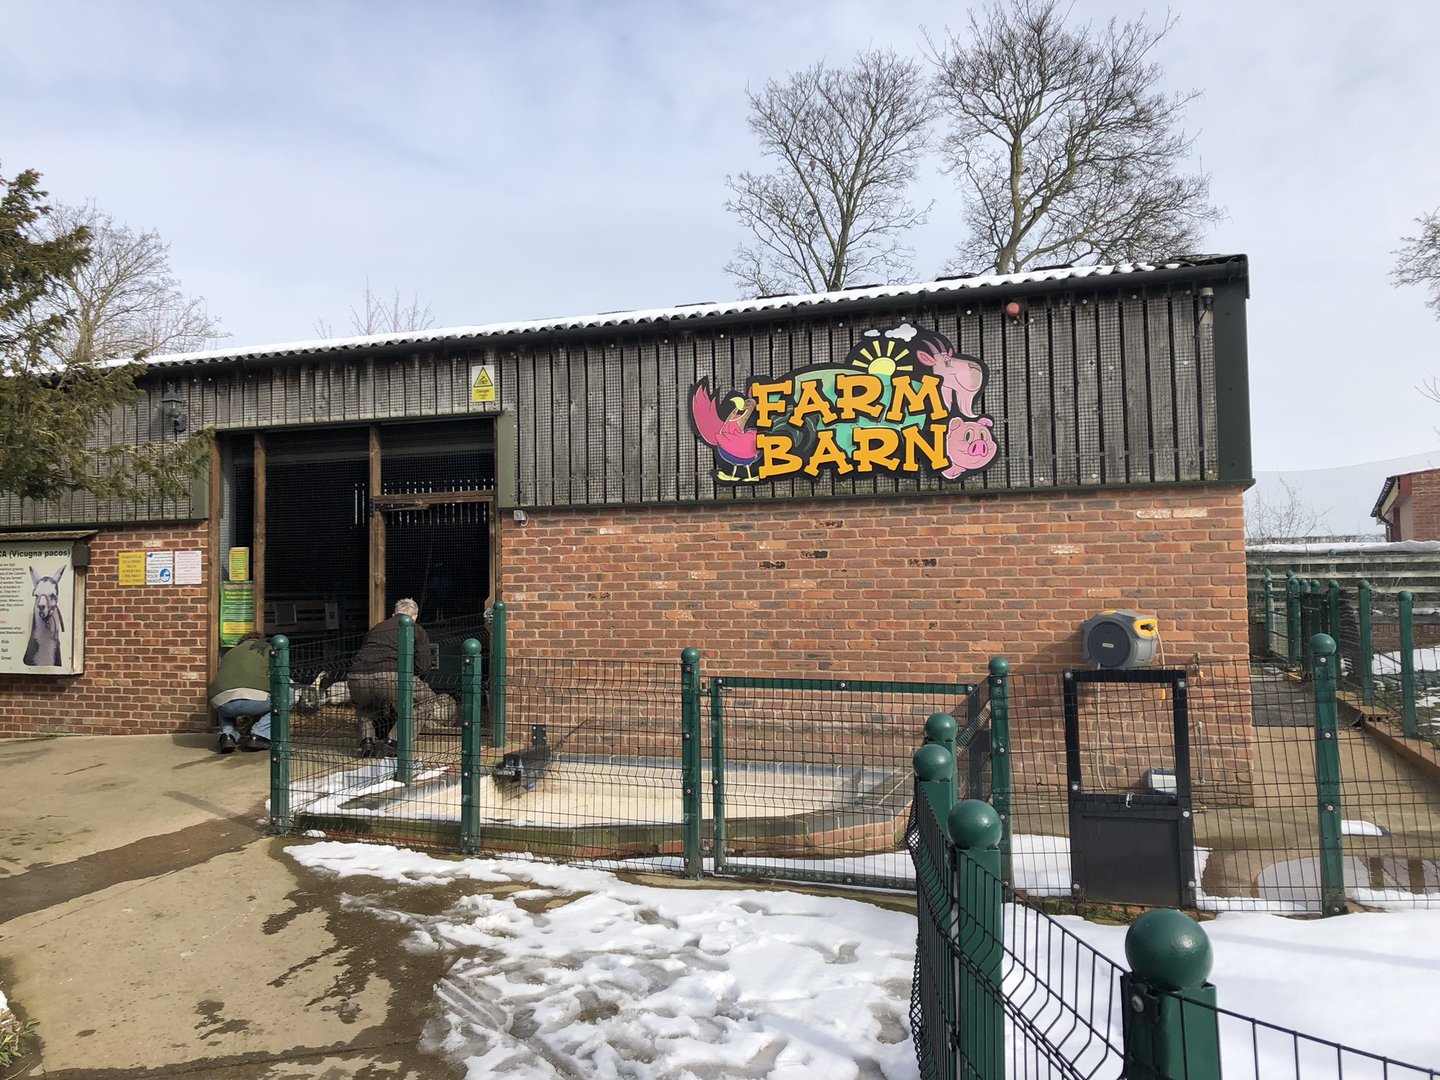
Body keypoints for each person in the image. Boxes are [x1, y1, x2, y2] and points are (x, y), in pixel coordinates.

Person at [348, 598, 442, 758]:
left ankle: (367, 743)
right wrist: (418, 677)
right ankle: (394, 742)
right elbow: (424, 664)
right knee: (426, 700)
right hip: (390, 675)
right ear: (415, 616)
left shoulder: (377, 628)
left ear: (394, 614)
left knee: (366, 707)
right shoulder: (416, 629)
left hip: (356, 676)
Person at [207, 633, 284, 754]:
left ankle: (227, 735)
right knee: (288, 694)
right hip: (254, 700)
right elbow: (279, 675)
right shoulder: (266, 648)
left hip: (220, 701)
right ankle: (260, 735)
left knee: (226, 700)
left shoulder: (230, 652)